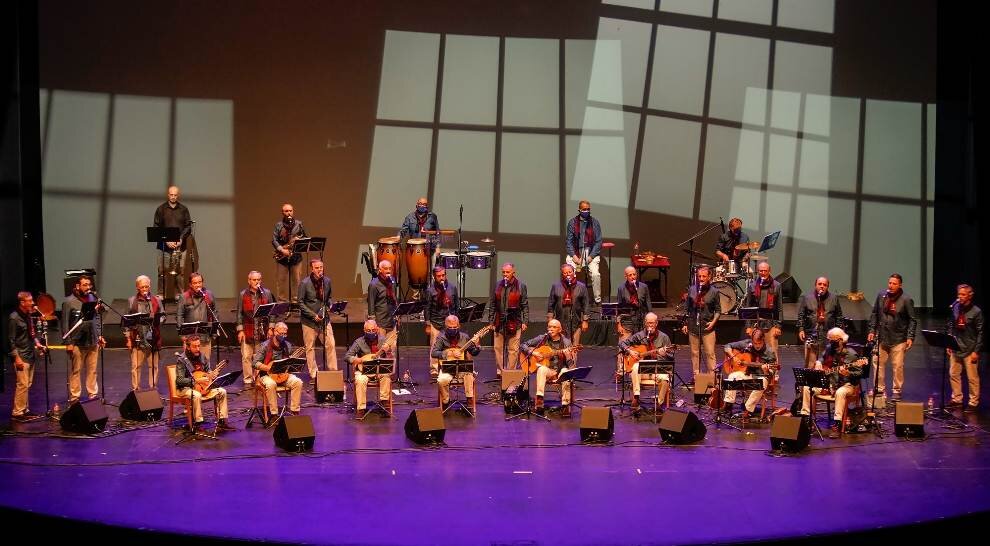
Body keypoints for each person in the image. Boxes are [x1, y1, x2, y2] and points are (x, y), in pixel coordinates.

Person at [798, 327, 867, 438]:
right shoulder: (830, 349)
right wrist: (819, 362)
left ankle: (837, 424)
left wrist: (848, 373)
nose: (830, 342)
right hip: (829, 384)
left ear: (840, 340)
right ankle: (806, 418)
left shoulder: (851, 354)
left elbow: (860, 373)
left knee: (840, 392)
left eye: (833, 340)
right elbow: (822, 358)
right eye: (829, 339)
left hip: (847, 385)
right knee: (807, 387)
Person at [868, 273, 917, 401]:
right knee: (877, 363)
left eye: (894, 283)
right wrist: (872, 330)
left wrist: (910, 337)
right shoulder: (881, 296)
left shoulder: (906, 299)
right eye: (890, 283)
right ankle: (879, 389)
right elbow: (874, 314)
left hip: (898, 338)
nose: (891, 285)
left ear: (900, 285)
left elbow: (912, 320)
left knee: (897, 366)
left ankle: (897, 390)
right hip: (882, 337)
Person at [174, 336, 234, 431]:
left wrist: (211, 375)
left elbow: (208, 371)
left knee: (222, 391)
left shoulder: (202, 357)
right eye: (195, 346)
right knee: (196, 395)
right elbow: (179, 381)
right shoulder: (182, 360)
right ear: (188, 347)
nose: (198, 349)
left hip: (202, 387)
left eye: (199, 346)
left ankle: (221, 421)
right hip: (185, 389)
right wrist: (195, 381)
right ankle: (197, 424)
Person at [618, 312, 673, 414]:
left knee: (665, 378)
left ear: (656, 323)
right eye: (648, 323)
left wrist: (663, 354)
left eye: (652, 323)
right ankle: (636, 397)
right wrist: (630, 351)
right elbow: (622, 343)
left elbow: (671, 357)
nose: (650, 326)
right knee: (635, 367)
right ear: (645, 323)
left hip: (656, 371)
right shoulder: (639, 336)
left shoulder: (664, 337)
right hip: (642, 373)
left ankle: (659, 403)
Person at [520, 319, 577, 417]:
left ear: (560, 330)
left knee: (565, 371)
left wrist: (568, 357)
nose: (551, 329)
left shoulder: (567, 343)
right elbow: (523, 345)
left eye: (554, 327)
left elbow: (571, 367)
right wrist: (533, 352)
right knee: (541, 369)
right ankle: (539, 402)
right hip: (548, 370)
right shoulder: (543, 338)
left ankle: (565, 406)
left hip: (560, 370)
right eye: (549, 327)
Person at [61, 275, 105, 402]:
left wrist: (100, 335)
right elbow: (64, 323)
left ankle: (92, 393)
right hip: (77, 342)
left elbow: (97, 319)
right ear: (77, 286)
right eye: (85, 285)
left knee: (93, 370)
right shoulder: (69, 302)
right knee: (76, 370)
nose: (88, 287)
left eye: (89, 284)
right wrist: (68, 342)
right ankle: (75, 396)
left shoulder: (92, 298)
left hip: (92, 340)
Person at [720, 329, 776, 422]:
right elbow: (727, 346)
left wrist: (766, 370)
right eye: (755, 343)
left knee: (761, 383)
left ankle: (747, 410)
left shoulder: (769, 352)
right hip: (747, 374)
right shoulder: (747, 344)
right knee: (732, 376)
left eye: (759, 343)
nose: (757, 346)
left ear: (763, 340)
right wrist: (733, 357)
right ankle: (728, 405)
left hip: (761, 376)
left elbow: (771, 373)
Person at [252, 322, 304, 420]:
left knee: (298, 382)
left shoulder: (287, 345)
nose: (283, 336)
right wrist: (269, 368)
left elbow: (288, 361)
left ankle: (294, 411)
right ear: (275, 332)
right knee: (271, 385)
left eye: (285, 334)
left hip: (283, 375)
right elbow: (255, 363)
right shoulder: (265, 345)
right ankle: (274, 414)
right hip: (266, 375)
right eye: (281, 334)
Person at [431, 315, 482, 410]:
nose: (453, 329)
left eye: (455, 327)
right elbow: (434, 353)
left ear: (458, 326)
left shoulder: (465, 337)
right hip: (447, 368)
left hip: (462, 368)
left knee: (469, 375)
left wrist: (478, 346)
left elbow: (473, 352)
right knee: (442, 380)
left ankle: (469, 398)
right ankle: (446, 400)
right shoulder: (441, 338)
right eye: (450, 328)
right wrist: (447, 352)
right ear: (446, 327)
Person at [346, 320, 394, 419]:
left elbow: (390, 357)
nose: (371, 332)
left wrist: (388, 351)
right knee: (360, 380)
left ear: (377, 329)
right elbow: (347, 356)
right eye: (368, 330)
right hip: (363, 370)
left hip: (378, 370)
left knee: (386, 376)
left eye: (373, 330)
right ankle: (361, 409)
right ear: (364, 330)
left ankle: (385, 404)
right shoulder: (359, 342)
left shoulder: (383, 340)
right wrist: (356, 360)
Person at [298, 259, 337, 380]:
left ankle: (333, 371)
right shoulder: (304, 283)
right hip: (309, 321)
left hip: (324, 319)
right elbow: (300, 302)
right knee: (310, 348)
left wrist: (330, 305)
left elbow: (328, 298)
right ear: (312, 269)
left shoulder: (327, 281)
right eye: (317, 268)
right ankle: (313, 373)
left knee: (331, 344)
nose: (319, 269)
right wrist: (313, 315)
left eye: (321, 267)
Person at [124, 275, 164, 391]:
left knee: (154, 366)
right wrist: (128, 339)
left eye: (147, 286)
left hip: (153, 339)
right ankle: (136, 389)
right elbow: (127, 321)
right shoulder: (132, 301)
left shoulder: (156, 300)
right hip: (137, 339)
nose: (145, 289)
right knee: (136, 366)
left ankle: (153, 387)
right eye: (142, 287)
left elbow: (163, 315)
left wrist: (158, 321)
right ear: (137, 287)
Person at [9, 291, 45, 419]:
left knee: (27, 384)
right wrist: (16, 358)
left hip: (30, 354)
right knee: (22, 384)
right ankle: (17, 412)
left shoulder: (28, 315)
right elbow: (11, 340)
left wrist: (37, 343)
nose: (32, 303)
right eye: (29, 301)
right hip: (21, 355)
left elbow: (32, 334)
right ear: (22, 302)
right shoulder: (14, 318)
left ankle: (25, 409)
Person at [681, 266, 720, 381]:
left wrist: (713, 322)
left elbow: (718, 310)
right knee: (694, 353)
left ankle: (712, 377)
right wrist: (685, 323)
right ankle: (696, 376)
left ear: (709, 277)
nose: (701, 278)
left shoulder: (714, 291)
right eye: (699, 276)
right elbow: (687, 308)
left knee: (710, 353)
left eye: (704, 276)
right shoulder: (692, 290)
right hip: (693, 325)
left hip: (708, 327)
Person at [488, 263, 529, 373]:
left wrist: (525, 321)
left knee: (513, 349)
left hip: (515, 322)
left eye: (507, 272)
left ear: (513, 273)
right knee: (498, 348)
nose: (505, 274)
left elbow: (524, 305)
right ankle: (501, 371)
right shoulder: (497, 285)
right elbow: (492, 304)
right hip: (499, 322)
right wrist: (491, 321)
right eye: (503, 272)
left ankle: (511, 373)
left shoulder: (521, 286)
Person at [235, 271, 273, 389]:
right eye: (254, 280)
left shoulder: (266, 293)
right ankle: (247, 379)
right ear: (249, 281)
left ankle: (258, 378)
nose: (257, 282)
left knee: (259, 356)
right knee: (246, 356)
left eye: (259, 280)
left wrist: (271, 327)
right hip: (248, 329)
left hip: (262, 330)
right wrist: (240, 330)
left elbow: (272, 312)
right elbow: (239, 314)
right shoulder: (243, 294)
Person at [947, 284, 982, 412]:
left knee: (972, 377)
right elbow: (951, 324)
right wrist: (950, 342)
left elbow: (981, 332)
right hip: (956, 346)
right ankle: (957, 399)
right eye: (959, 294)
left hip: (970, 348)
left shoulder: (976, 312)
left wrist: (976, 351)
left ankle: (973, 402)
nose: (960, 297)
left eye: (963, 295)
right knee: (953, 374)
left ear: (970, 296)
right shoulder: (955, 307)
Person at [153, 185, 193, 296]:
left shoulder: (184, 209)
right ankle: (161, 295)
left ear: (178, 195)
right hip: (163, 246)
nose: (173, 197)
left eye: (175, 195)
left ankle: (180, 295)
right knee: (162, 271)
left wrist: (180, 239)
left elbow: (188, 226)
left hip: (180, 246)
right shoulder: (160, 209)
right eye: (171, 195)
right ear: (168, 194)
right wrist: (166, 240)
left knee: (180, 272)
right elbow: (156, 227)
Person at [797, 276, 843, 368]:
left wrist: (838, 332)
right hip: (811, 333)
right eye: (820, 284)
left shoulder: (834, 298)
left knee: (825, 363)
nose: (822, 286)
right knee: (810, 363)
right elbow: (801, 315)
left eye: (824, 285)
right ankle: (809, 381)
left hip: (827, 335)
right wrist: (801, 329)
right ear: (815, 285)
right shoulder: (807, 298)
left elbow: (839, 316)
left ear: (827, 287)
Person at [547, 264, 589, 364]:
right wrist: (550, 319)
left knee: (574, 348)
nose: (568, 274)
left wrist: (585, 321)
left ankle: (571, 372)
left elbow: (586, 305)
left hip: (576, 322)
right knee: (562, 347)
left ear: (573, 273)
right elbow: (551, 304)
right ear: (562, 274)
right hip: (560, 322)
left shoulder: (581, 286)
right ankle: (561, 369)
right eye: (565, 273)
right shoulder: (556, 286)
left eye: (569, 272)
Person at [565, 200, 603, 303]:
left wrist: (591, 256)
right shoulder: (572, 222)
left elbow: (598, 242)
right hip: (576, 252)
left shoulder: (594, 222)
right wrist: (574, 257)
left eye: (588, 209)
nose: (586, 211)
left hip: (590, 252)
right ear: (579, 210)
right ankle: (572, 298)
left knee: (596, 274)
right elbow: (568, 242)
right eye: (584, 209)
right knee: (569, 273)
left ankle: (597, 300)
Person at [743, 261, 782, 357]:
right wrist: (748, 326)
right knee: (756, 351)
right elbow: (748, 306)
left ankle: (773, 372)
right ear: (758, 271)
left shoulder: (777, 285)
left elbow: (779, 307)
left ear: (769, 271)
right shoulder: (752, 285)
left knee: (772, 351)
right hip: (756, 324)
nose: (763, 273)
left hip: (771, 324)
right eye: (761, 271)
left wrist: (778, 326)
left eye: (765, 270)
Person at [272, 203, 308, 304]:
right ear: (282, 212)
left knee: (296, 281)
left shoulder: (299, 224)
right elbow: (274, 240)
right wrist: (282, 250)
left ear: (293, 211)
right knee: (281, 281)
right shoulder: (278, 225)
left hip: (296, 257)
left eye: (290, 211)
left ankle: (295, 302)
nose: (289, 213)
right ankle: (282, 303)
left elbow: (304, 237)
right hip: (282, 257)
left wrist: (298, 240)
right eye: (286, 211)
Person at [425, 266, 458, 371]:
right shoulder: (430, 291)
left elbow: (456, 306)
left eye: (443, 275)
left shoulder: (452, 288)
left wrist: (456, 320)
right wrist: (428, 324)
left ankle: (448, 365)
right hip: (436, 323)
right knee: (434, 346)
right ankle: (434, 368)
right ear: (434, 277)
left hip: (449, 324)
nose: (442, 278)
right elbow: (427, 308)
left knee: (450, 345)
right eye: (439, 276)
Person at [176, 272, 216, 359]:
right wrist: (182, 335)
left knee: (205, 364)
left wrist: (214, 331)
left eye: (200, 282)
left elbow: (214, 312)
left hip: (205, 337)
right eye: (195, 283)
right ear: (190, 284)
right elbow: (179, 316)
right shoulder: (184, 297)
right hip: (190, 338)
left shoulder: (208, 295)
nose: (198, 285)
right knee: (191, 366)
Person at [367, 260, 398, 332]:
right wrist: (372, 322)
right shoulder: (374, 284)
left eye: (390, 268)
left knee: (392, 343)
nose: (388, 271)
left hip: (392, 321)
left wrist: (397, 316)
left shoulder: (392, 281)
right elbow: (371, 304)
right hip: (380, 323)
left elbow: (394, 298)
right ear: (380, 270)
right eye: (386, 268)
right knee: (381, 343)